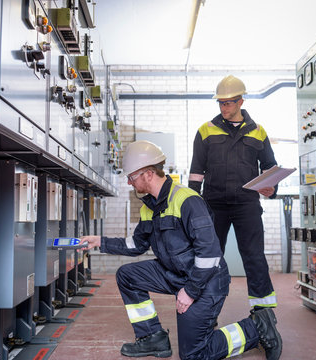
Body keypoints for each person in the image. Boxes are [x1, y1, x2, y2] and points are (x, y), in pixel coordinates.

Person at [80, 140, 282, 360]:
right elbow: (136, 245)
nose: (129, 182)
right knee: (127, 276)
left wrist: (191, 291)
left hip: (206, 282)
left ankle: (255, 328)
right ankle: (152, 338)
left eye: (131, 176)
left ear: (148, 174)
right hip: (175, 273)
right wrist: (99, 241)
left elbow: (210, 254)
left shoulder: (187, 200)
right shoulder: (151, 206)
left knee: (194, 355)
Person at [189, 75, 279, 312]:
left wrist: (272, 187)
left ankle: (264, 314)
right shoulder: (206, 131)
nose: (223, 107)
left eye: (228, 103)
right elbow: (196, 171)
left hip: (246, 205)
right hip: (214, 205)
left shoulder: (258, 132)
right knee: (208, 260)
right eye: (220, 103)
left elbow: (270, 166)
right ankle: (206, 312)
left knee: (255, 258)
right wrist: (191, 205)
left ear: (241, 102)